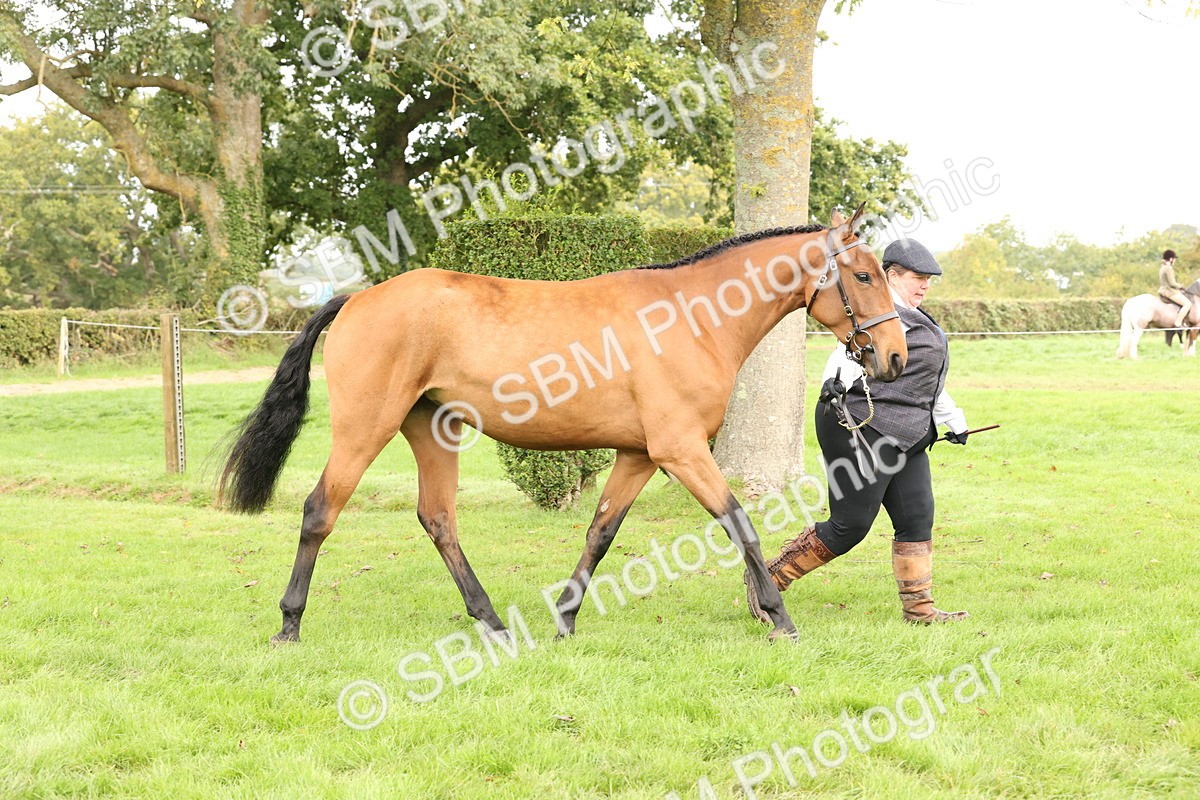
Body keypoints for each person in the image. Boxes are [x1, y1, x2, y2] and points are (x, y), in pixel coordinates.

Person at [746, 238, 970, 625]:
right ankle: (766, 581)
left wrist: (954, 420)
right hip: (858, 426)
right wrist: (833, 381)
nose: (925, 286)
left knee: (917, 517)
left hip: (908, 434)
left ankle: (920, 610)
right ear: (890, 276)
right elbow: (844, 357)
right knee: (850, 526)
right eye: (918, 278)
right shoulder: (872, 314)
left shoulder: (918, 317)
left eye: (928, 280)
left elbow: (925, 381)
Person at [1158, 249, 1191, 329]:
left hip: (1163, 290)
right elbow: (1172, 283)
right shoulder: (1168, 268)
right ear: (1171, 259)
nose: (1175, 261)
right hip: (1169, 291)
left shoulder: (1163, 267)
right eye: (1174, 259)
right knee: (1187, 304)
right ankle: (1178, 323)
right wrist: (1181, 286)